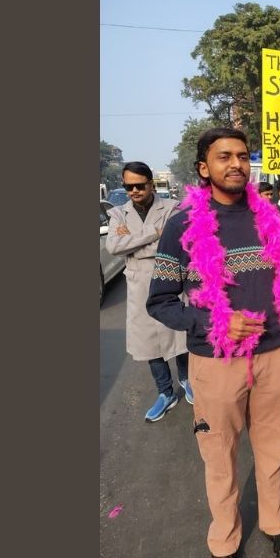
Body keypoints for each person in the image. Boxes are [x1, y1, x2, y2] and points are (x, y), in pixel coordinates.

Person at [146, 128, 280, 558]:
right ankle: (225, 539)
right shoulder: (181, 224)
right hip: (217, 362)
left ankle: (277, 524)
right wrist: (210, 320)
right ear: (204, 168)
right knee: (219, 456)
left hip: (275, 353)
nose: (236, 164)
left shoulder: (269, 215)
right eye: (224, 157)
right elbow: (159, 302)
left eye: (242, 156)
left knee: (273, 449)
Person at [105, 161, 192, 422]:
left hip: (170, 280)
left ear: (151, 184)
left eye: (139, 185)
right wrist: (154, 233)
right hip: (138, 286)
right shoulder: (118, 213)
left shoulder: (172, 208)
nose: (134, 191)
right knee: (148, 345)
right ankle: (165, 393)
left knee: (180, 337)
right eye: (128, 186)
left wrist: (131, 243)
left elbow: (176, 243)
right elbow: (113, 247)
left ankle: (188, 381)